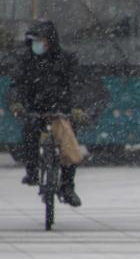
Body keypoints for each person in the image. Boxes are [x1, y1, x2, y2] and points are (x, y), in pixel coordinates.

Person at [7, 20, 85, 206]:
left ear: (50, 41)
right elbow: (15, 85)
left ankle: (67, 187)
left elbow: (77, 84)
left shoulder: (66, 59)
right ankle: (32, 171)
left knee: (68, 145)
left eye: (41, 41)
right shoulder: (25, 61)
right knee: (29, 132)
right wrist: (17, 103)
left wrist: (76, 107)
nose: (38, 45)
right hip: (34, 110)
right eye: (34, 41)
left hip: (61, 111)